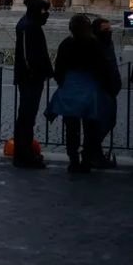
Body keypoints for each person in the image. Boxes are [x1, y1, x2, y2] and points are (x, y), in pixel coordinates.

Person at [47, 15, 111, 173]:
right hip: (90, 91)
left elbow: (59, 69)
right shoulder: (94, 44)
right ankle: (86, 160)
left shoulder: (66, 44)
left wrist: (63, 84)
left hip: (70, 90)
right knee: (90, 128)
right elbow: (102, 68)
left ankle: (73, 159)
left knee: (71, 129)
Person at [13, 0, 52, 168]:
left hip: (30, 77)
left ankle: (24, 152)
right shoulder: (29, 26)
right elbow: (30, 55)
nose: (46, 13)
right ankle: (23, 155)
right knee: (26, 117)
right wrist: (34, 73)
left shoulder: (29, 23)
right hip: (30, 78)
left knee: (27, 117)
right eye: (44, 9)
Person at [90, 18, 121, 166]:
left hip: (111, 88)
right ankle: (93, 153)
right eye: (105, 30)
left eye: (109, 29)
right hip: (100, 89)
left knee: (110, 121)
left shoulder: (109, 43)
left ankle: (93, 151)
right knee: (101, 123)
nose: (109, 32)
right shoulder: (94, 45)